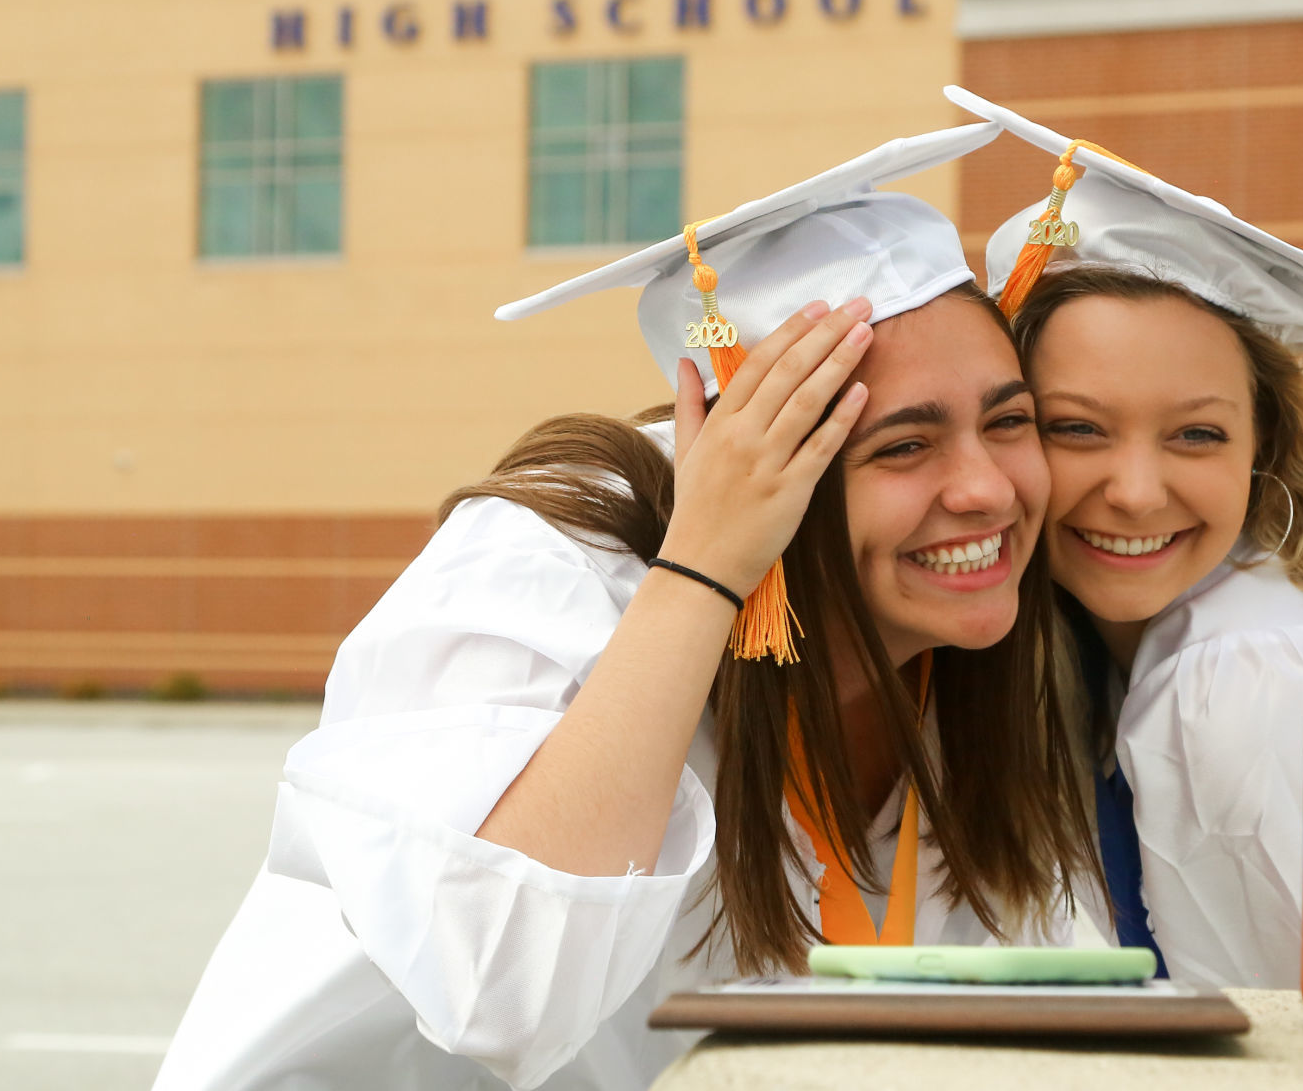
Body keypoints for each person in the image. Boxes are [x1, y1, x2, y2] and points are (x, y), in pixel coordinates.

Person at [151, 122, 1102, 1091]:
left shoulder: (977, 656)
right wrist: (703, 569)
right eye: (903, 445)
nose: (985, 488)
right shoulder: (547, 570)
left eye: (1008, 419)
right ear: (751, 461)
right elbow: (503, 995)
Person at [946, 85, 1303, 988]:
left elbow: (1291, 1046)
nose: (1135, 491)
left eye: (1197, 434)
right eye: (1076, 427)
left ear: (1262, 446)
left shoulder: (1240, 678)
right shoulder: (1120, 652)